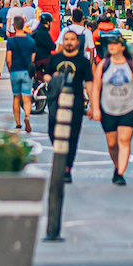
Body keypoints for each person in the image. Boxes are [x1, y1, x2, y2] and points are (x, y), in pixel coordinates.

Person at [98, 33, 133, 185]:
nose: (111, 46)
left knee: (124, 140)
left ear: (122, 47)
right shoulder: (103, 65)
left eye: (115, 43)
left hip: (129, 107)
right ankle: (117, 166)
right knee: (112, 144)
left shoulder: (132, 66)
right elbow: (96, 88)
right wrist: (95, 108)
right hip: (108, 108)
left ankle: (120, 173)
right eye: (109, 44)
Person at [46, 26, 97, 183]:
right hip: (56, 99)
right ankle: (60, 154)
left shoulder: (83, 62)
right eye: (66, 39)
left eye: (72, 40)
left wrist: (93, 106)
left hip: (76, 101)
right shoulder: (55, 59)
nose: (69, 42)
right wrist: (52, 78)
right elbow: (46, 75)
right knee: (52, 129)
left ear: (77, 42)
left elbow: (89, 84)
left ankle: (67, 167)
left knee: (73, 135)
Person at [5, 15, 36, 132]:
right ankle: (27, 116)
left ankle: (18, 123)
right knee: (27, 97)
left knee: (16, 97)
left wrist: (10, 69)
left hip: (15, 71)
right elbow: (33, 59)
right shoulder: (31, 41)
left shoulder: (11, 41)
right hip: (27, 71)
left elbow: (8, 59)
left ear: (14, 26)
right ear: (23, 25)